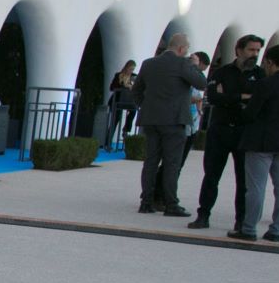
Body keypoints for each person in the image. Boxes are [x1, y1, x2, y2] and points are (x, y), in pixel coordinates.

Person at [232, 43, 279, 243]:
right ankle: (276, 230)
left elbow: (250, 114)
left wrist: (241, 109)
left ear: (271, 62)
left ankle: (248, 228)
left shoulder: (265, 84)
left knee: (256, 187)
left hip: (261, 141)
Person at [191, 34, 261, 231]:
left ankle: (241, 220)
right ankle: (203, 215)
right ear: (239, 50)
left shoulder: (261, 75)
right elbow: (213, 97)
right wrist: (242, 97)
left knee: (244, 180)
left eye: (257, 50)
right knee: (211, 175)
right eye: (251, 50)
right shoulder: (221, 72)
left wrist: (229, 96)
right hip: (220, 130)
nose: (254, 54)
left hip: (244, 132)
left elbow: (258, 101)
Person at [134, 33, 205, 216]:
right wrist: (195, 66)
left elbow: (136, 90)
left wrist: (146, 106)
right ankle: (170, 203)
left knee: (150, 161)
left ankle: (146, 202)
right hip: (174, 121)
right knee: (171, 163)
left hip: (151, 119)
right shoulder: (183, 64)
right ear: (182, 49)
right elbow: (201, 83)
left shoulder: (148, 63)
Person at [109, 60, 138, 144]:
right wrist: (123, 86)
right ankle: (108, 141)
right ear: (126, 68)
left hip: (128, 101)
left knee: (133, 110)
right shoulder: (119, 75)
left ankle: (126, 129)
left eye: (133, 69)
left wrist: (132, 87)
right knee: (115, 119)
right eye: (130, 69)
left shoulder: (134, 77)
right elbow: (111, 88)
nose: (131, 71)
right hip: (117, 101)